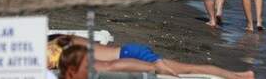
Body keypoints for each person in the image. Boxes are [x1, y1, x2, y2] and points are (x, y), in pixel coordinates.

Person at [51, 36, 254, 79]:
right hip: (129, 51)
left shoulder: (65, 48)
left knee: (189, 70)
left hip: (131, 55)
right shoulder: (66, 42)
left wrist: (155, 66)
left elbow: (110, 65)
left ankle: (242, 77)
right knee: (190, 68)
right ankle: (241, 74)